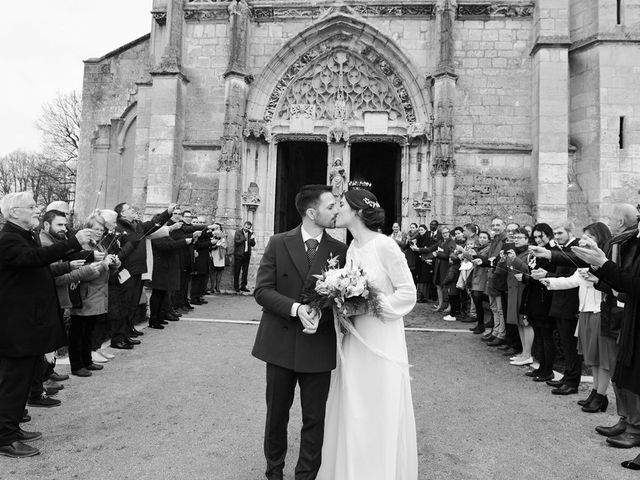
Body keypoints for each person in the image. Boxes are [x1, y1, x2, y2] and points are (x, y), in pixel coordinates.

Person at [318, 188, 418, 480]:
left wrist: (368, 305)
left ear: (358, 212)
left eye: (341, 205)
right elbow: (349, 293)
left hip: (381, 335)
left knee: (378, 403)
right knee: (355, 404)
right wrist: (341, 302)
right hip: (355, 337)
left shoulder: (385, 246)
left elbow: (408, 294)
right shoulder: (352, 248)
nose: (337, 210)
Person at [252, 184, 347, 480]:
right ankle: (274, 472)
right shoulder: (279, 242)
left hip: (317, 343)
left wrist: (325, 310)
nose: (337, 211)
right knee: (276, 416)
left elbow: (346, 299)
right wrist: (296, 309)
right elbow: (262, 291)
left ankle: (306, 475)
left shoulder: (340, 250)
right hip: (279, 342)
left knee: (314, 418)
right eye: (331, 206)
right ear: (311, 212)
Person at [0, 191, 96, 458]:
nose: (36, 210)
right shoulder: (8, 238)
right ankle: (4, 437)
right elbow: (35, 260)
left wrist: (68, 259)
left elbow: (39, 267)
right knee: (13, 383)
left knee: (24, 380)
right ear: (14, 212)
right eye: (31, 207)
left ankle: (11, 428)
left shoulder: (23, 236)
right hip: (16, 325)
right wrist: (73, 242)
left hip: (28, 323)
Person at [571, 218, 640, 470]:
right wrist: (601, 268)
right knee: (624, 375)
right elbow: (625, 284)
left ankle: (633, 426)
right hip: (628, 316)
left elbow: (629, 283)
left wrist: (602, 265)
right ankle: (629, 422)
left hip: (617, 315)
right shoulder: (627, 241)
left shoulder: (624, 243)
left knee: (625, 373)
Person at [541, 222, 612, 411]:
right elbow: (573, 280)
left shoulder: (606, 259)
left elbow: (614, 284)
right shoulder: (586, 259)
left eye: (590, 237)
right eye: (585, 236)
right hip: (585, 310)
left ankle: (601, 395)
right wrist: (549, 281)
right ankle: (596, 392)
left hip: (600, 310)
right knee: (592, 357)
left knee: (601, 358)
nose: (585, 240)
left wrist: (595, 279)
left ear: (601, 238)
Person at [112, 202, 174, 345]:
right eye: (129, 209)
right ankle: (118, 338)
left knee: (132, 304)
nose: (133, 210)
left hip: (138, 269)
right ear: (122, 214)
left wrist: (168, 212)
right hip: (126, 271)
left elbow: (154, 224)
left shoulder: (138, 225)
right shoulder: (119, 228)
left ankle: (127, 332)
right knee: (124, 305)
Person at [68, 211, 121, 377]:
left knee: (89, 330)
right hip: (85, 295)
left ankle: (87, 360)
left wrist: (114, 265)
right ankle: (77, 365)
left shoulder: (100, 246)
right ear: (88, 229)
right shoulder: (84, 247)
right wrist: (105, 264)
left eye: (101, 229)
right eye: (96, 228)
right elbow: (85, 273)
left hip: (98, 294)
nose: (99, 232)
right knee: (78, 331)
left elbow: (105, 274)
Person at [521, 223, 556, 382]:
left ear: (548, 235)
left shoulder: (552, 252)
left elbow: (548, 276)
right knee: (540, 336)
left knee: (546, 335)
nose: (538, 239)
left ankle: (548, 370)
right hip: (535, 297)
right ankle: (542, 367)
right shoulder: (536, 252)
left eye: (540, 236)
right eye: (535, 237)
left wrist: (527, 278)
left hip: (545, 299)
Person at [504, 228, 534, 366]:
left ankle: (528, 354)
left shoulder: (530, 253)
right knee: (519, 323)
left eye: (520, 237)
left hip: (523, 291)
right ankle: (524, 352)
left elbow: (527, 270)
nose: (516, 239)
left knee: (525, 323)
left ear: (527, 239)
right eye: (515, 237)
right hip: (514, 291)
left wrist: (514, 259)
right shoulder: (518, 253)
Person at [469, 230, 491, 334]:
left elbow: (487, 260)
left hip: (483, 276)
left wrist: (476, 255)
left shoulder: (489, 248)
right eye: (481, 237)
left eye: (484, 238)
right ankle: (480, 324)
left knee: (478, 299)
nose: (482, 239)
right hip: (476, 275)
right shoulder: (478, 248)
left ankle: (482, 324)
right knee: (476, 300)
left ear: (489, 239)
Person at [234, 221, 255, 292]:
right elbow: (236, 242)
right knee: (237, 271)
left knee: (245, 271)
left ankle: (243, 286)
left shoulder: (250, 234)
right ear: (244, 226)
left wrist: (252, 238)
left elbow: (253, 244)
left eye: (248, 228)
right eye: (246, 227)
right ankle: (236, 286)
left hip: (246, 254)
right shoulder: (238, 232)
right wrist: (244, 238)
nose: (247, 228)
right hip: (239, 254)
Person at [209, 223, 227, 293]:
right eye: (216, 227)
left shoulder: (223, 236)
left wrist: (221, 243)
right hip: (213, 254)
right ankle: (212, 287)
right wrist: (215, 245)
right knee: (213, 272)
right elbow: (210, 245)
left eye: (218, 227)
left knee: (220, 271)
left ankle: (218, 287)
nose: (217, 229)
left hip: (221, 255)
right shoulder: (211, 235)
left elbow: (225, 245)